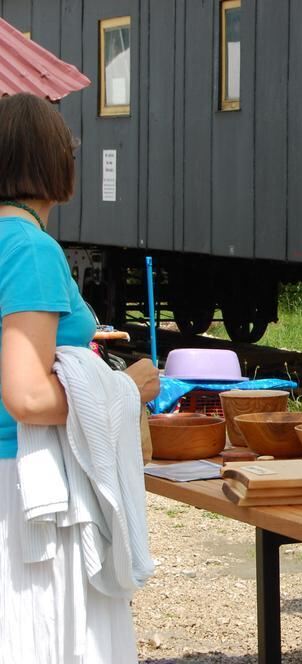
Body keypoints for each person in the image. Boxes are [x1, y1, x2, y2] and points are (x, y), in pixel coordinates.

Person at [0, 92, 159, 662]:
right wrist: (124, 389)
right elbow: (25, 393)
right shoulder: (28, 249)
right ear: (53, 163)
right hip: (29, 488)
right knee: (52, 640)